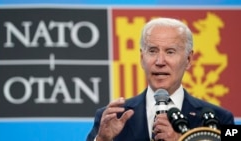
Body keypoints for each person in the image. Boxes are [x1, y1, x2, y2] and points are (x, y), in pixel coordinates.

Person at [86, 17, 234, 141]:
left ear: (188, 59)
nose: (160, 61)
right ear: (142, 58)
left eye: (170, 52)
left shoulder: (221, 119)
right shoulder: (112, 117)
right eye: (152, 51)